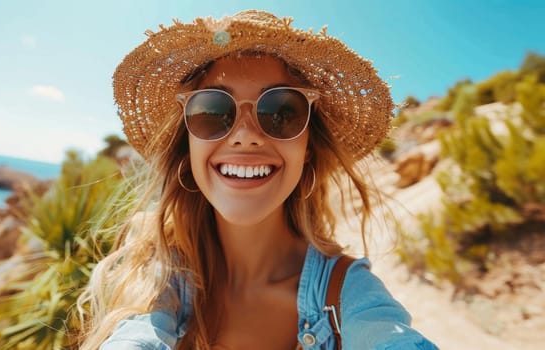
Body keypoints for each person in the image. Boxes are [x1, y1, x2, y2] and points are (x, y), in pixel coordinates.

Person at [79, 10, 439, 350]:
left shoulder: (352, 295)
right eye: (214, 111)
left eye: (282, 111)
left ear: (309, 146)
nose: (245, 135)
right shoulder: (157, 282)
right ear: (188, 144)